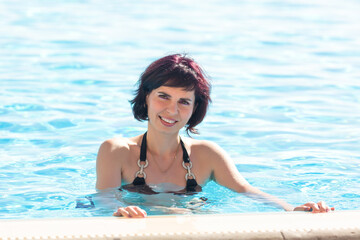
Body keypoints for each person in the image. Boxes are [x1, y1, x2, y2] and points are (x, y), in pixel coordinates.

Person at [96, 53, 334, 218]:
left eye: (184, 101)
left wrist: (290, 208)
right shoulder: (116, 151)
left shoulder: (207, 155)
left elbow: (247, 191)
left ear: (194, 108)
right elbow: (105, 200)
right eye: (163, 96)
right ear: (146, 96)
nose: (172, 110)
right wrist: (121, 210)